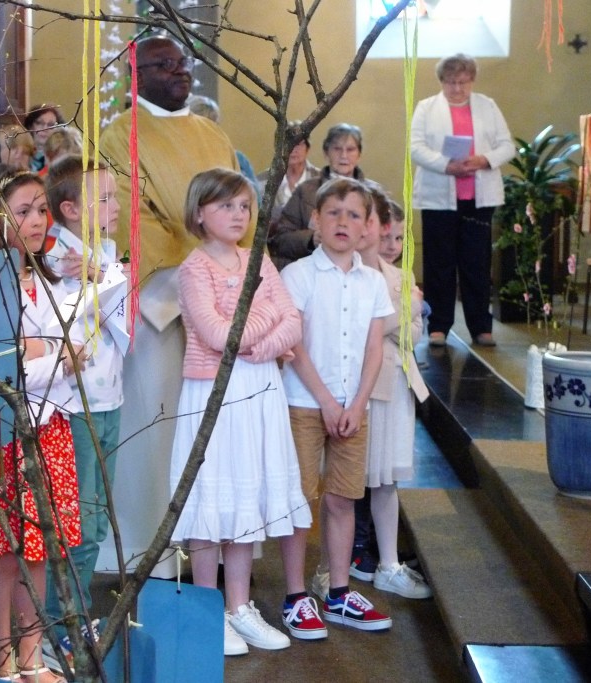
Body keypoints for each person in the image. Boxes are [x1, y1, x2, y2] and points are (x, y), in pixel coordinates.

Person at [100, 34, 251, 576]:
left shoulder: (213, 133)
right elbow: (133, 219)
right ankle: (156, 553)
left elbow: (239, 207)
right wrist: (199, 264)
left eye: (181, 63)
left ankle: (218, 548)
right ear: (136, 76)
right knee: (161, 429)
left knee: (219, 430)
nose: (179, 71)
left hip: (221, 296)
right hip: (161, 303)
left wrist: (222, 268)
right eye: (164, 64)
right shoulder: (118, 136)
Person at [170, 168, 313, 656]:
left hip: (258, 383)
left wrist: (261, 340)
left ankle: (239, 606)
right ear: (199, 213)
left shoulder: (258, 260)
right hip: (213, 391)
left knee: (244, 496)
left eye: (244, 206)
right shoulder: (194, 268)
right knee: (214, 497)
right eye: (226, 206)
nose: (238, 215)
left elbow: (292, 322)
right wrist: (265, 317)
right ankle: (208, 610)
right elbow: (216, 335)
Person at [0, 166, 83, 683]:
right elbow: (1, 367)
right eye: (23, 211)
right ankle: (1, 663)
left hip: (50, 424)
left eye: (42, 209)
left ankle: (32, 656)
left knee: (43, 547)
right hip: (7, 429)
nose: (38, 220)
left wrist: (49, 352)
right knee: (5, 552)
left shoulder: (46, 279)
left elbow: (69, 346)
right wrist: (57, 356)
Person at [280, 177, 394, 633]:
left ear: (368, 226)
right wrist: (326, 401)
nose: (343, 222)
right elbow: (295, 345)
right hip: (305, 402)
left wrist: (358, 402)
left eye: (354, 215)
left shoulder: (373, 282)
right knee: (300, 501)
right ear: (315, 219)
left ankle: (338, 593)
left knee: (344, 499)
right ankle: (294, 597)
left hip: (353, 407)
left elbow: (374, 349)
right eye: (333, 213)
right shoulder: (298, 275)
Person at [40, 155, 125, 669]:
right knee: (78, 521)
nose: (116, 206)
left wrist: (108, 273)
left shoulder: (107, 256)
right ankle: (59, 624)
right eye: (103, 199)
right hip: (73, 405)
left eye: (115, 196)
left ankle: (74, 615)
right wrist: (97, 274)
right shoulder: (54, 259)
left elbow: (126, 322)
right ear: (70, 210)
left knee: (95, 519)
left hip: (109, 398)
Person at [350, 186, 432, 601]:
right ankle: (348, 559)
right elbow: (361, 328)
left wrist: (400, 319)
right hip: (363, 385)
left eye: (398, 237)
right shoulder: (351, 274)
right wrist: (406, 311)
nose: (391, 243)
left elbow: (413, 334)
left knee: (387, 479)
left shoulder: (402, 277)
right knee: (354, 478)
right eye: (385, 234)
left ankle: (388, 563)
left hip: (397, 383)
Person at [410, 53, 515, 348]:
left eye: (463, 82)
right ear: (441, 81)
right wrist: (447, 165)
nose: (457, 88)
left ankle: (481, 326)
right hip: (438, 199)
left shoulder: (487, 106)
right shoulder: (426, 108)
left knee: (477, 264)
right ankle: (438, 326)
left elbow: (507, 146)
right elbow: (415, 148)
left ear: (472, 80)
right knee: (439, 264)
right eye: (451, 82)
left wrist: (484, 159)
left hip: (478, 199)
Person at [269, 122, 368, 271]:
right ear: (326, 153)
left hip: (360, 272)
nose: (343, 155)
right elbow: (280, 240)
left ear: (359, 154)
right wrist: (310, 239)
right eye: (337, 149)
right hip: (312, 273)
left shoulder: (373, 194)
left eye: (350, 149)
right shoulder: (306, 190)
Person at [187, 94, 258, 192]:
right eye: (202, 127)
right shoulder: (180, 160)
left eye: (214, 125)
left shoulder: (238, 159)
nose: (211, 132)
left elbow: (255, 198)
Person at [259, 121, 320, 223]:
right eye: (287, 143)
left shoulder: (321, 179)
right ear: (277, 148)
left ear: (307, 148)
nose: (293, 149)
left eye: (298, 144)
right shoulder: (261, 181)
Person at [24, 105, 65, 173]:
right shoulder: (20, 155)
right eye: (39, 123)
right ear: (30, 126)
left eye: (51, 124)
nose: (45, 128)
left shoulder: (62, 158)